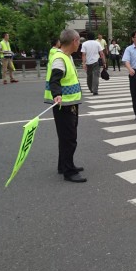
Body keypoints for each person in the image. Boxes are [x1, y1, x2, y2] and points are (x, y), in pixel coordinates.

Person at [44, 29, 86, 183]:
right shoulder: (60, 59)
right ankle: (69, 171)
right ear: (74, 41)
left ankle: (64, 165)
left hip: (70, 103)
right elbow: (54, 80)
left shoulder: (66, 56)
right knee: (69, 138)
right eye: (79, 41)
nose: (79, 44)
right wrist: (57, 94)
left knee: (65, 137)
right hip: (64, 105)